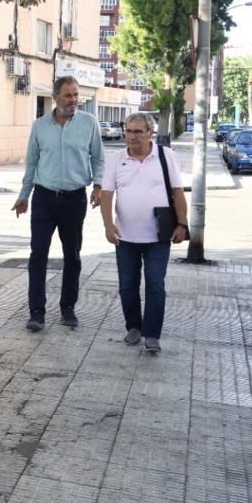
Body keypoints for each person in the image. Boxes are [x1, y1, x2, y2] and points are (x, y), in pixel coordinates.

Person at [12, 76, 105, 332]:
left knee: (72, 256)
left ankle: (68, 308)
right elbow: (31, 163)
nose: (73, 100)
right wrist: (24, 195)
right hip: (44, 198)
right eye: (68, 95)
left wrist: (98, 186)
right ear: (55, 97)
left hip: (75, 199)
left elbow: (98, 159)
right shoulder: (40, 126)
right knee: (38, 253)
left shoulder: (90, 123)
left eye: (76, 95)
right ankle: (36, 311)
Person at [99, 112, 188, 354]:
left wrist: (182, 224)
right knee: (127, 285)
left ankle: (152, 334)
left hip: (158, 237)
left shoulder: (165, 156)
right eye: (128, 131)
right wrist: (108, 225)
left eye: (138, 132)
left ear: (150, 133)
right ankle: (133, 327)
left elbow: (178, 192)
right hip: (125, 237)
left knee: (155, 284)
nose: (131, 136)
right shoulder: (116, 159)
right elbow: (107, 195)